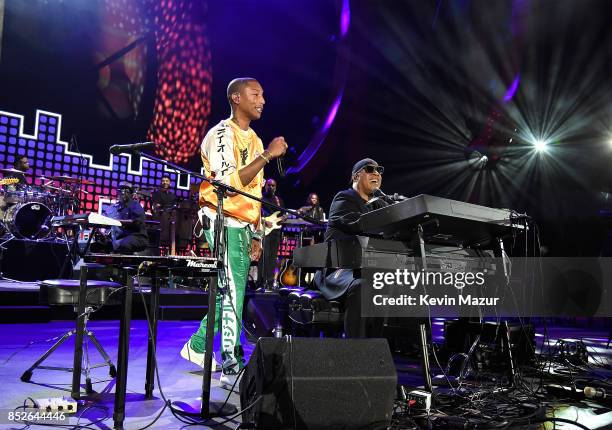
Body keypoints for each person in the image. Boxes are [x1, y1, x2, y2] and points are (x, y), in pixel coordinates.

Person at [180, 77, 287, 389]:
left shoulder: (253, 138)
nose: (263, 99)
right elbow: (228, 183)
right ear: (237, 98)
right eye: (256, 93)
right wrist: (268, 155)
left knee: (228, 292)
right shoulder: (221, 134)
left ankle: (198, 347)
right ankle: (231, 362)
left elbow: (254, 191)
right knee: (233, 292)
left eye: (263, 93)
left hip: (242, 223)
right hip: (222, 219)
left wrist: (257, 234)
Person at [314, 158, 387, 338]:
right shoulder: (344, 198)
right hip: (339, 270)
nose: (376, 173)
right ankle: (356, 350)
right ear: (356, 175)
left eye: (379, 170)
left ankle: (377, 348)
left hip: (367, 268)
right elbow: (356, 224)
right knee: (364, 284)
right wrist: (386, 215)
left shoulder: (380, 203)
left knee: (388, 283)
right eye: (370, 169)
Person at [102, 182, 149, 253]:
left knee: (121, 244)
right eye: (121, 190)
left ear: (131, 194)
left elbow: (136, 222)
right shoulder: (113, 208)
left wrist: (116, 221)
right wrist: (102, 229)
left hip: (136, 237)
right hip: (119, 238)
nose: (123, 192)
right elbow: (103, 219)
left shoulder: (135, 205)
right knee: (98, 246)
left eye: (127, 190)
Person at [258, 178, 286, 288]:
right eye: (269, 185)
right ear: (265, 186)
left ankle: (270, 282)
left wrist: (283, 219)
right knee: (263, 256)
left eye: (273, 185)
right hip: (264, 230)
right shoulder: (260, 198)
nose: (271, 187)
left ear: (276, 187)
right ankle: (260, 281)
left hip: (276, 231)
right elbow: (255, 213)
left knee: (273, 257)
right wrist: (265, 220)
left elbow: (282, 215)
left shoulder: (279, 200)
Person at [151, 175, 179, 247]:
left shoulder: (173, 196)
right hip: (159, 218)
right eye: (163, 181)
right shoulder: (156, 194)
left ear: (170, 183)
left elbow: (174, 206)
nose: (165, 182)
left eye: (167, 181)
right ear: (161, 183)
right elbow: (156, 206)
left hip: (170, 220)